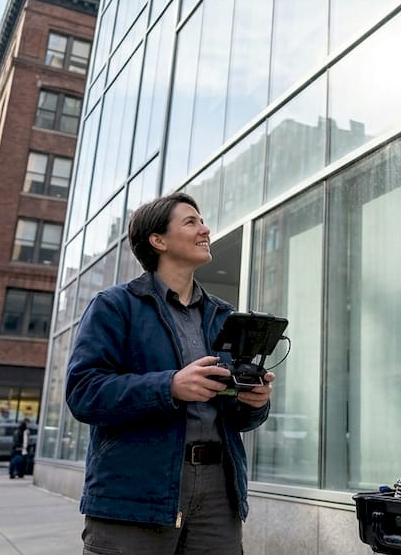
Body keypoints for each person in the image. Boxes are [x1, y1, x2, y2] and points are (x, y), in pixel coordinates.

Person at [66, 192, 273, 555]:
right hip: (135, 492)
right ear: (158, 240)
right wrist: (170, 386)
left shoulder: (223, 316)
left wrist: (253, 402)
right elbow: (83, 392)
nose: (205, 229)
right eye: (191, 222)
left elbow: (236, 416)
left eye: (202, 221)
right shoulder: (114, 306)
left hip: (218, 493)